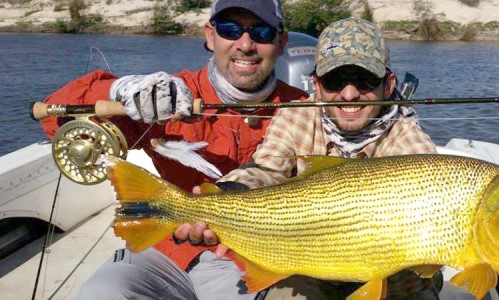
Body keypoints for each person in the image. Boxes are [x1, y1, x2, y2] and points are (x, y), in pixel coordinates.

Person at [40, 1, 308, 299]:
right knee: (101, 293)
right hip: (166, 248)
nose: (244, 45)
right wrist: (118, 90)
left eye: (260, 31)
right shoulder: (166, 95)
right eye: (230, 30)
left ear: (281, 41)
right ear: (210, 36)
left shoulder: (304, 110)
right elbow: (54, 120)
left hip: (250, 258)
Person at [176, 18, 442, 299]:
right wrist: (225, 195)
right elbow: (266, 170)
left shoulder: (409, 141)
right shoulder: (297, 115)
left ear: (388, 85)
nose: (349, 95)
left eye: (365, 81)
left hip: (392, 269)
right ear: (316, 84)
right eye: (334, 82)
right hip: (307, 261)